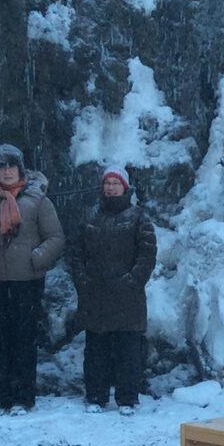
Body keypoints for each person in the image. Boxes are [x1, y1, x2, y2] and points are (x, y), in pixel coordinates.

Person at [0, 144, 64, 417]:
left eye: (11, 166)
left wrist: (36, 259)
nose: (7, 172)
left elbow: (55, 237)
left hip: (26, 281)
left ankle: (22, 397)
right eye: (2, 167)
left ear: (20, 169)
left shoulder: (38, 200)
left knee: (23, 340)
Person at [72, 166, 155, 416]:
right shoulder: (90, 216)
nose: (110, 187)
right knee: (96, 349)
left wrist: (132, 281)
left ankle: (127, 398)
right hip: (95, 295)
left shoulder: (139, 218)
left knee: (127, 349)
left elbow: (147, 255)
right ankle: (95, 396)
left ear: (125, 187)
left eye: (115, 183)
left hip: (127, 297)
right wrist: (82, 281)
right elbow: (76, 253)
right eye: (107, 183)